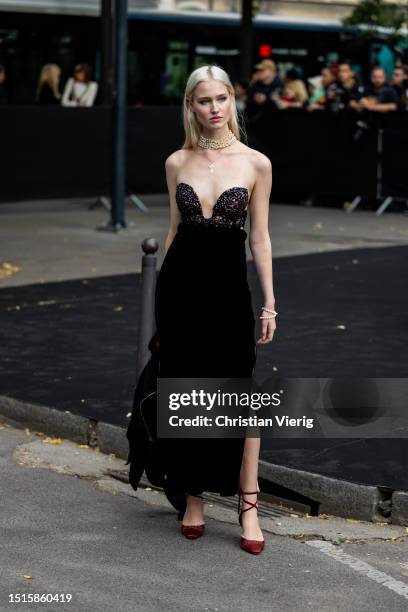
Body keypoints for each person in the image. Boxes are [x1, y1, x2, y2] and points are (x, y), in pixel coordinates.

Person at [131, 64, 275, 555]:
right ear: (190, 105)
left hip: (230, 294)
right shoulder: (177, 162)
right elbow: (173, 232)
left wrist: (270, 304)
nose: (214, 108)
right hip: (182, 291)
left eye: (222, 98)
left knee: (241, 395)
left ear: (233, 100)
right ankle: (193, 498)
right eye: (203, 100)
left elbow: (259, 237)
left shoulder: (256, 163)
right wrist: (159, 304)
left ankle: (248, 505)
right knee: (187, 391)